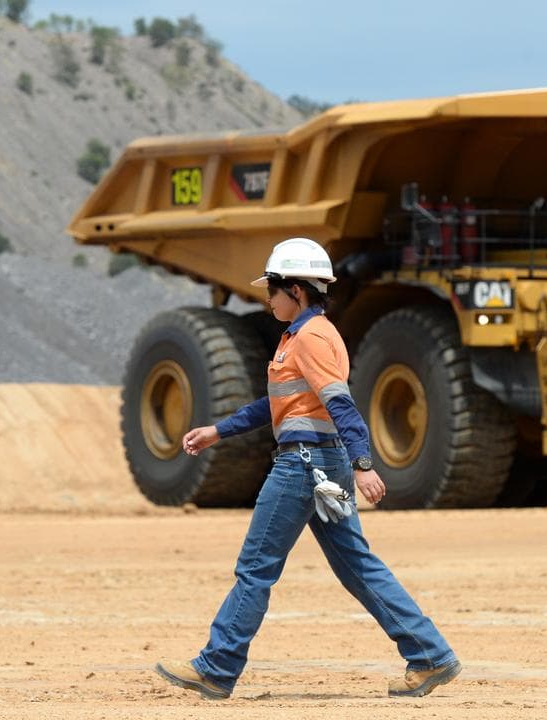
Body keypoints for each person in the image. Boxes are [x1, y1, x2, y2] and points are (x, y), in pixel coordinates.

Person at [154, 237, 461, 700]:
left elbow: (341, 403)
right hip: (321, 464)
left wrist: (363, 466)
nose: (267, 296)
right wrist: (219, 430)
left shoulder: (312, 337)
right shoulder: (301, 337)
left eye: (273, 288)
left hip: (303, 466)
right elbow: (277, 405)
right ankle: (429, 655)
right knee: (358, 566)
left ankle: (217, 667)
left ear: (296, 290)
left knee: (256, 568)